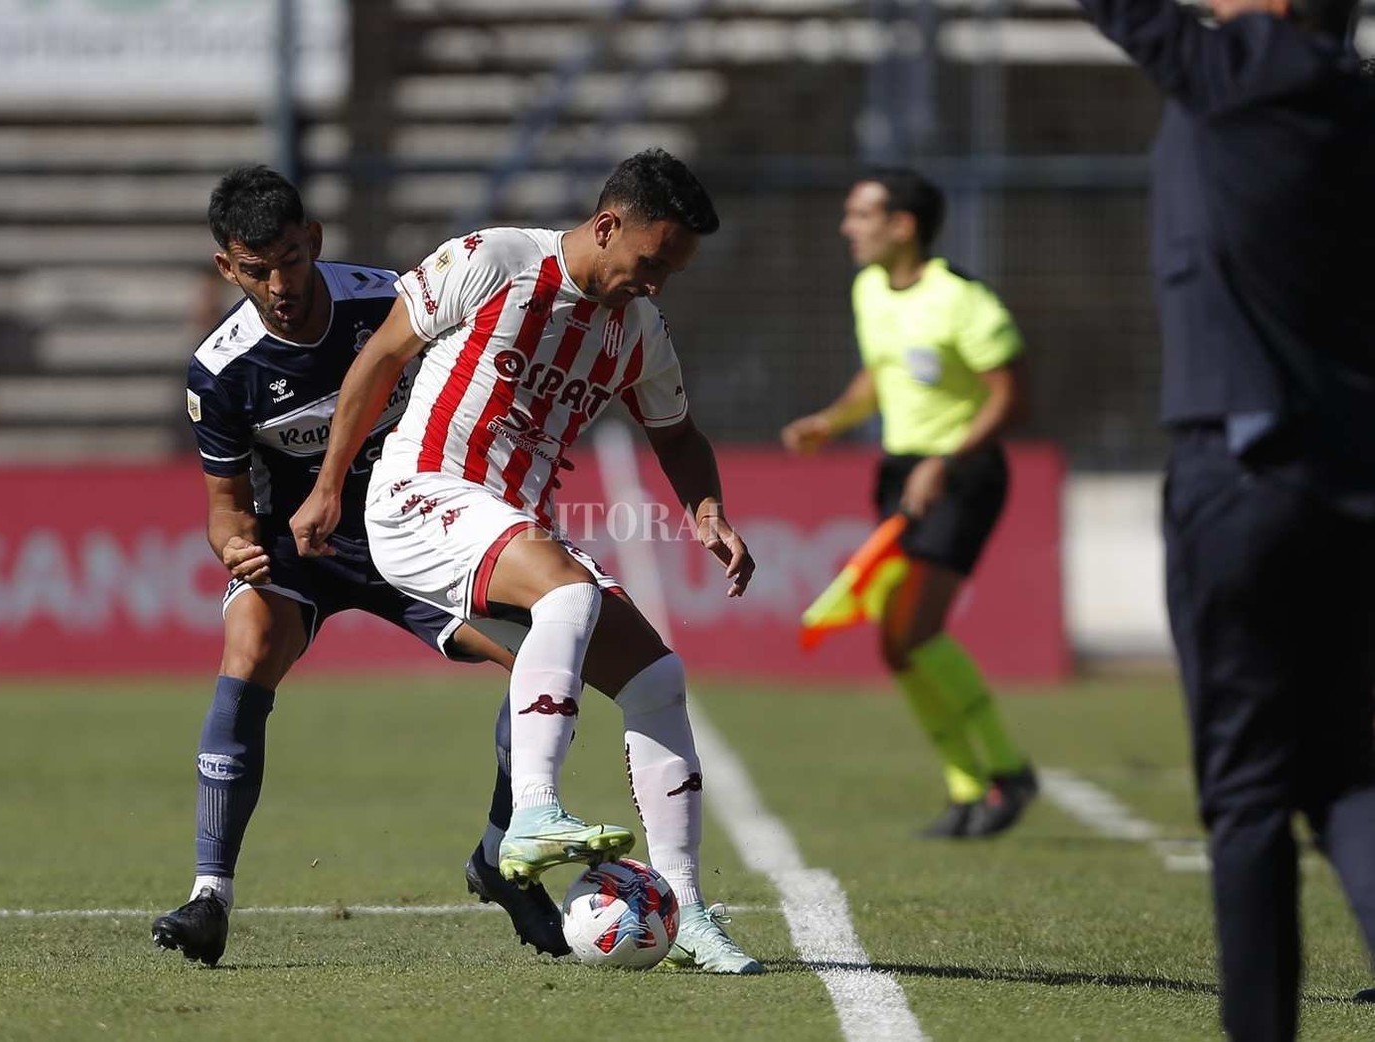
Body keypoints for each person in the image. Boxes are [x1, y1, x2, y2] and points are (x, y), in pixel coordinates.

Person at [290, 148, 764, 974]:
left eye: (671, 272)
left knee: (656, 679)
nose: (655, 285)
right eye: (651, 263)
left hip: (513, 525)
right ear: (607, 225)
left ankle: (685, 905)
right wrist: (329, 485)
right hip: (418, 495)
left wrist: (708, 509)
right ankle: (534, 814)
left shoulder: (639, 331)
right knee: (571, 599)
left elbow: (677, 433)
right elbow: (379, 359)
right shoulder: (495, 259)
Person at [152, 165, 568, 967]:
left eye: (289, 260)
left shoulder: (394, 301)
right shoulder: (221, 369)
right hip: (297, 546)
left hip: (417, 529)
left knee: (544, 662)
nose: (278, 284)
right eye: (254, 268)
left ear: (314, 241)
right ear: (224, 268)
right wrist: (233, 545)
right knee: (248, 646)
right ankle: (210, 896)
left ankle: (497, 856)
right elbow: (225, 505)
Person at [1074, 0, 1375, 1036]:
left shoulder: (1236, 65)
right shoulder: (1351, 99)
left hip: (1240, 472)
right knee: (1343, 774)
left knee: (1247, 797)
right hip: (1350, 480)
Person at [779, 169, 1037, 839]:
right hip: (900, 474)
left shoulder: (963, 302)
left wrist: (944, 463)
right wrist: (831, 421)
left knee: (910, 632)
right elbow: (878, 373)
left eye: (860, 215)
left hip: (962, 474)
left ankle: (1006, 773)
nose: (847, 228)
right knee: (897, 646)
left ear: (902, 225)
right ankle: (965, 788)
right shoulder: (868, 289)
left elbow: (1008, 398)